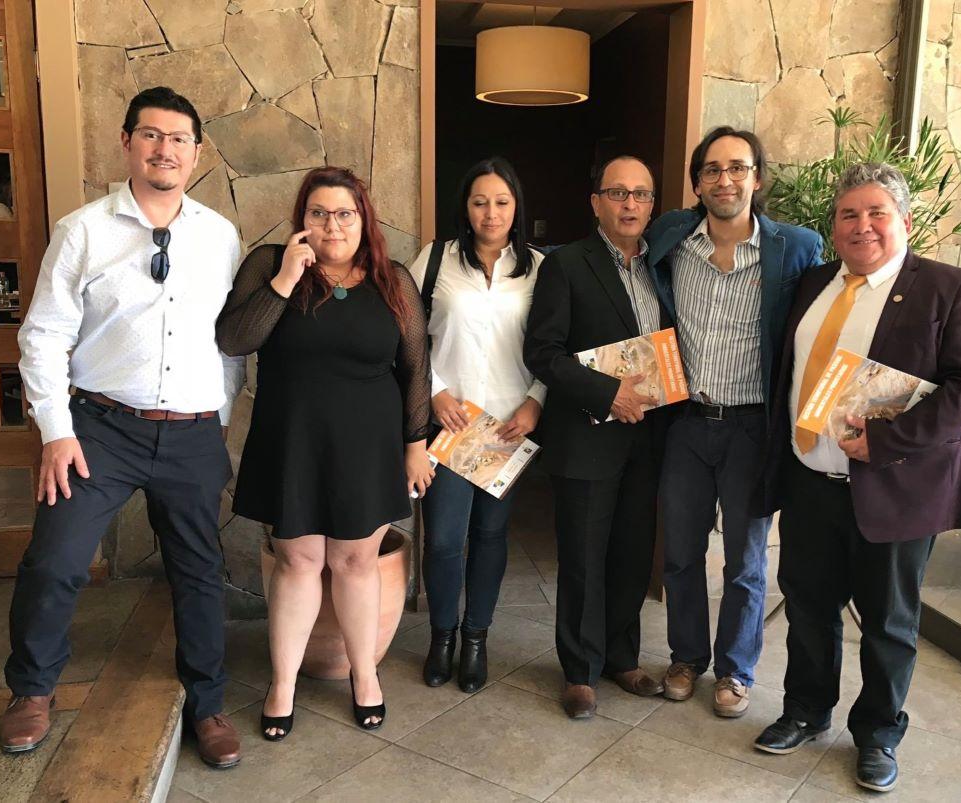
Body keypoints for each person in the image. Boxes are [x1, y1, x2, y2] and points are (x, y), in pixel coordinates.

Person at [3, 87, 245, 768]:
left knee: (200, 571)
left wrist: (217, 416)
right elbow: (44, 333)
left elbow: (230, 342)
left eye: (179, 138)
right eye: (151, 134)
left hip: (192, 433)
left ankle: (208, 701)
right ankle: (31, 688)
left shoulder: (219, 235)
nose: (165, 148)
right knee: (55, 557)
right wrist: (55, 428)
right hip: (98, 429)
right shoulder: (83, 229)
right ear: (127, 143)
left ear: (197, 154)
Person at [752, 162, 961, 793]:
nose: (862, 226)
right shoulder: (816, 282)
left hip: (895, 489)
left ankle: (879, 734)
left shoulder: (950, 287)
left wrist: (882, 440)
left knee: (889, 623)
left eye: (876, 212)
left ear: (904, 221)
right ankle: (804, 710)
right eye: (849, 214)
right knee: (808, 608)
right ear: (834, 228)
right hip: (809, 482)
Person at [216, 166, 433, 738]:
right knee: (298, 561)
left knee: (357, 561)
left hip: (367, 443)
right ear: (302, 218)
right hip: (294, 440)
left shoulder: (393, 280)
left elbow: (415, 368)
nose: (332, 225)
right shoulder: (269, 264)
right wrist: (287, 278)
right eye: (319, 213)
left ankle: (366, 677)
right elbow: (235, 340)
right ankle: (282, 684)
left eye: (344, 213)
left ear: (363, 218)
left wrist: (417, 444)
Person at [646, 127, 822, 716]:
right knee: (681, 552)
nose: (726, 180)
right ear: (697, 182)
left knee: (746, 560)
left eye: (738, 168)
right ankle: (686, 657)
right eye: (713, 170)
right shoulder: (669, 236)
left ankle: (736, 671)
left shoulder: (795, 248)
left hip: (753, 426)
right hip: (688, 424)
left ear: (757, 177)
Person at [524, 155, 668, 719]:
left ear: (653, 205)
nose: (630, 204)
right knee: (584, 556)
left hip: (650, 436)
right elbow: (543, 352)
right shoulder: (565, 265)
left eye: (641, 195)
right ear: (595, 202)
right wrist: (606, 394)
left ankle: (620, 657)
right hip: (587, 435)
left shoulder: (665, 263)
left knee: (633, 553)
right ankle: (579, 671)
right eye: (617, 193)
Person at [410, 157, 545, 693]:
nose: (491, 213)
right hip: (451, 423)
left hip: (508, 426)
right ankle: (442, 635)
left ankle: (475, 639)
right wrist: (435, 391)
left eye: (502, 202)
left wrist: (536, 402)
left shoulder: (537, 268)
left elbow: (550, 346)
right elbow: (410, 336)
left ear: (516, 207)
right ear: (465, 208)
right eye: (480, 201)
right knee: (444, 539)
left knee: (490, 536)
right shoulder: (434, 260)